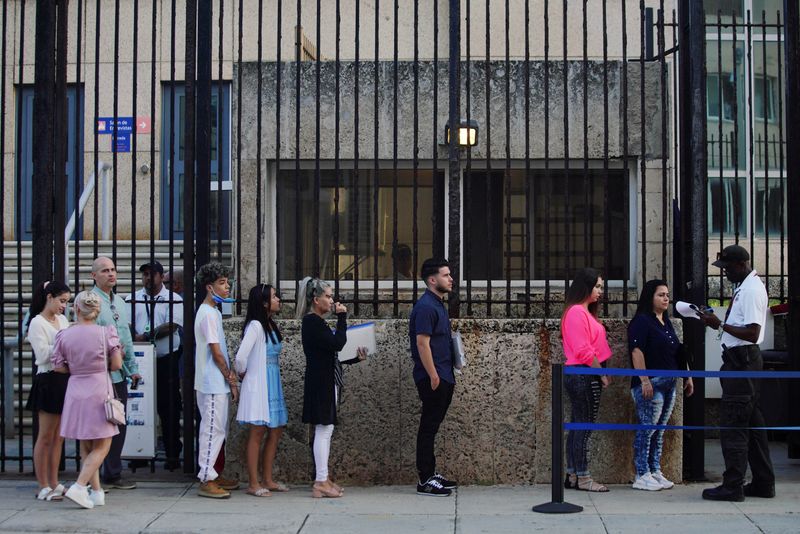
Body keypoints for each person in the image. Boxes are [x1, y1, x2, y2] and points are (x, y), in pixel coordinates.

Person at [699, 245, 776, 501]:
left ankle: (732, 485)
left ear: (741, 265)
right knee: (753, 426)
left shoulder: (752, 290)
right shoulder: (744, 286)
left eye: (728, 268)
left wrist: (718, 323)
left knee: (734, 426)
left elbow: (753, 333)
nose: (725, 274)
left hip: (742, 363)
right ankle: (763, 483)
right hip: (740, 363)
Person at [52, 291, 123, 509]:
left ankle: (97, 492)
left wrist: (76, 369)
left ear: (76, 309)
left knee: (85, 443)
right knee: (103, 444)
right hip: (99, 388)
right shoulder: (106, 333)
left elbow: (58, 366)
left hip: (76, 389)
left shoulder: (64, 335)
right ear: (97, 311)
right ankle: (80, 486)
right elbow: (117, 365)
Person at [297, 277, 366, 498]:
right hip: (321, 382)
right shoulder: (312, 322)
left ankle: (323, 478)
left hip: (325, 379)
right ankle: (320, 481)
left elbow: (331, 353)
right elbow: (337, 344)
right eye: (327, 296)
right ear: (316, 300)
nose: (331, 300)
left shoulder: (318, 323)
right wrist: (343, 316)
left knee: (326, 430)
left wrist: (355, 358)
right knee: (324, 430)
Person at [628, 280, 694, 491]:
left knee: (659, 430)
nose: (666, 299)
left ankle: (655, 470)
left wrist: (687, 376)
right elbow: (637, 351)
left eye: (667, 295)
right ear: (650, 297)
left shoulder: (667, 322)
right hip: (652, 384)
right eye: (661, 295)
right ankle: (641, 473)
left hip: (669, 383)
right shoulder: (642, 321)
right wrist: (644, 380)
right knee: (647, 429)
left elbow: (678, 352)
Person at [126, 261, 184, 469]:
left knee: (169, 406)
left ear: (162, 276)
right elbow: (127, 324)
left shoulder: (173, 299)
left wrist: (147, 336)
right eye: (145, 275)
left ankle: (172, 454)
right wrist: (136, 336)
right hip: (140, 360)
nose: (148, 278)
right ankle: (139, 453)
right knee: (139, 406)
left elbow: (172, 325)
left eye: (153, 274)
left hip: (165, 358)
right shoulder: (133, 298)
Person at [91, 256, 141, 490]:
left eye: (113, 270)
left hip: (119, 373)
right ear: (94, 275)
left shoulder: (120, 302)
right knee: (96, 424)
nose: (111, 274)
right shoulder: (88, 300)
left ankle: (113, 472)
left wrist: (133, 369)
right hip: (98, 373)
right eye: (104, 270)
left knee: (118, 422)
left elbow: (126, 338)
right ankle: (93, 473)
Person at [409, 258, 458, 497]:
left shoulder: (437, 304)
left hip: (444, 373)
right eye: (446, 275)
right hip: (434, 376)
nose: (451, 279)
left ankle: (431, 472)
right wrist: (433, 375)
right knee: (428, 428)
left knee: (432, 426)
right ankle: (425, 479)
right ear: (432, 279)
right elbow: (422, 342)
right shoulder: (426, 306)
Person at [235, 284, 289, 497]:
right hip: (260, 384)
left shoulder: (270, 324)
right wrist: (242, 373)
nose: (279, 300)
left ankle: (268, 479)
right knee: (257, 432)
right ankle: (254, 483)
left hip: (272, 381)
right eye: (275, 297)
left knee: (275, 430)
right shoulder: (256, 326)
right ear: (264, 302)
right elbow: (241, 357)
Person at [561, 267, 611, 493]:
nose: (601, 291)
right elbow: (583, 350)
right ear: (586, 286)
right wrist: (601, 372)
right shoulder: (577, 313)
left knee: (579, 426)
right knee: (583, 427)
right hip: (584, 373)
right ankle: (582, 476)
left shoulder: (582, 312)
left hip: (582, 373)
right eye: (597, 286)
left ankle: (573, 474)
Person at [195, 262, 240, 498]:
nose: (227, 287)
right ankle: (206, 477)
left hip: (216, 381)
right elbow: (216, 351)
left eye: (227, 282)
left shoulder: (213, 312)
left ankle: (213, 471)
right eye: (221, 283)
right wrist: (230, 378)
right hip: (210, 381)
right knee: (212, 429)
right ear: (209, 287)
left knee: (218, 428)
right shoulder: (207, 314)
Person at [25, 281, 71, 501]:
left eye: (67, 302)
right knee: (45, 435)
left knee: (59, 437)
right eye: (61, 301)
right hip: (47, 380)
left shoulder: (62, 320)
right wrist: (63, 348)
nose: (64, 306)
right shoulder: (37, 323)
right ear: (49, 297)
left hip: (64, 379)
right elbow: (43, 355)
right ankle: (42, 484)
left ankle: (54, 481)